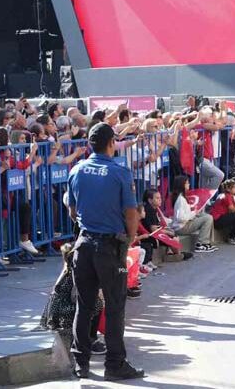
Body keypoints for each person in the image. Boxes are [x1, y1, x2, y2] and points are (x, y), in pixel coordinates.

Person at [67, 122, 144, 381]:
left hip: (84, 244)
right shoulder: (119, 172)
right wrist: (128, 241)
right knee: (114, 307)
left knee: (84, 305)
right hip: (110, 247)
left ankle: (81, 364)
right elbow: (131, 214)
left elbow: (72, 210)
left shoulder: (76, 170)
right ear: (112, 143)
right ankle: (114, 365)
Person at [40, 243, 106, 356]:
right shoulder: (78, 275)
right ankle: (90, 339)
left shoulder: (67, 271)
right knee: (97, 305)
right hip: (68, 314)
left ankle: (86, 337)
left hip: (58, 315)